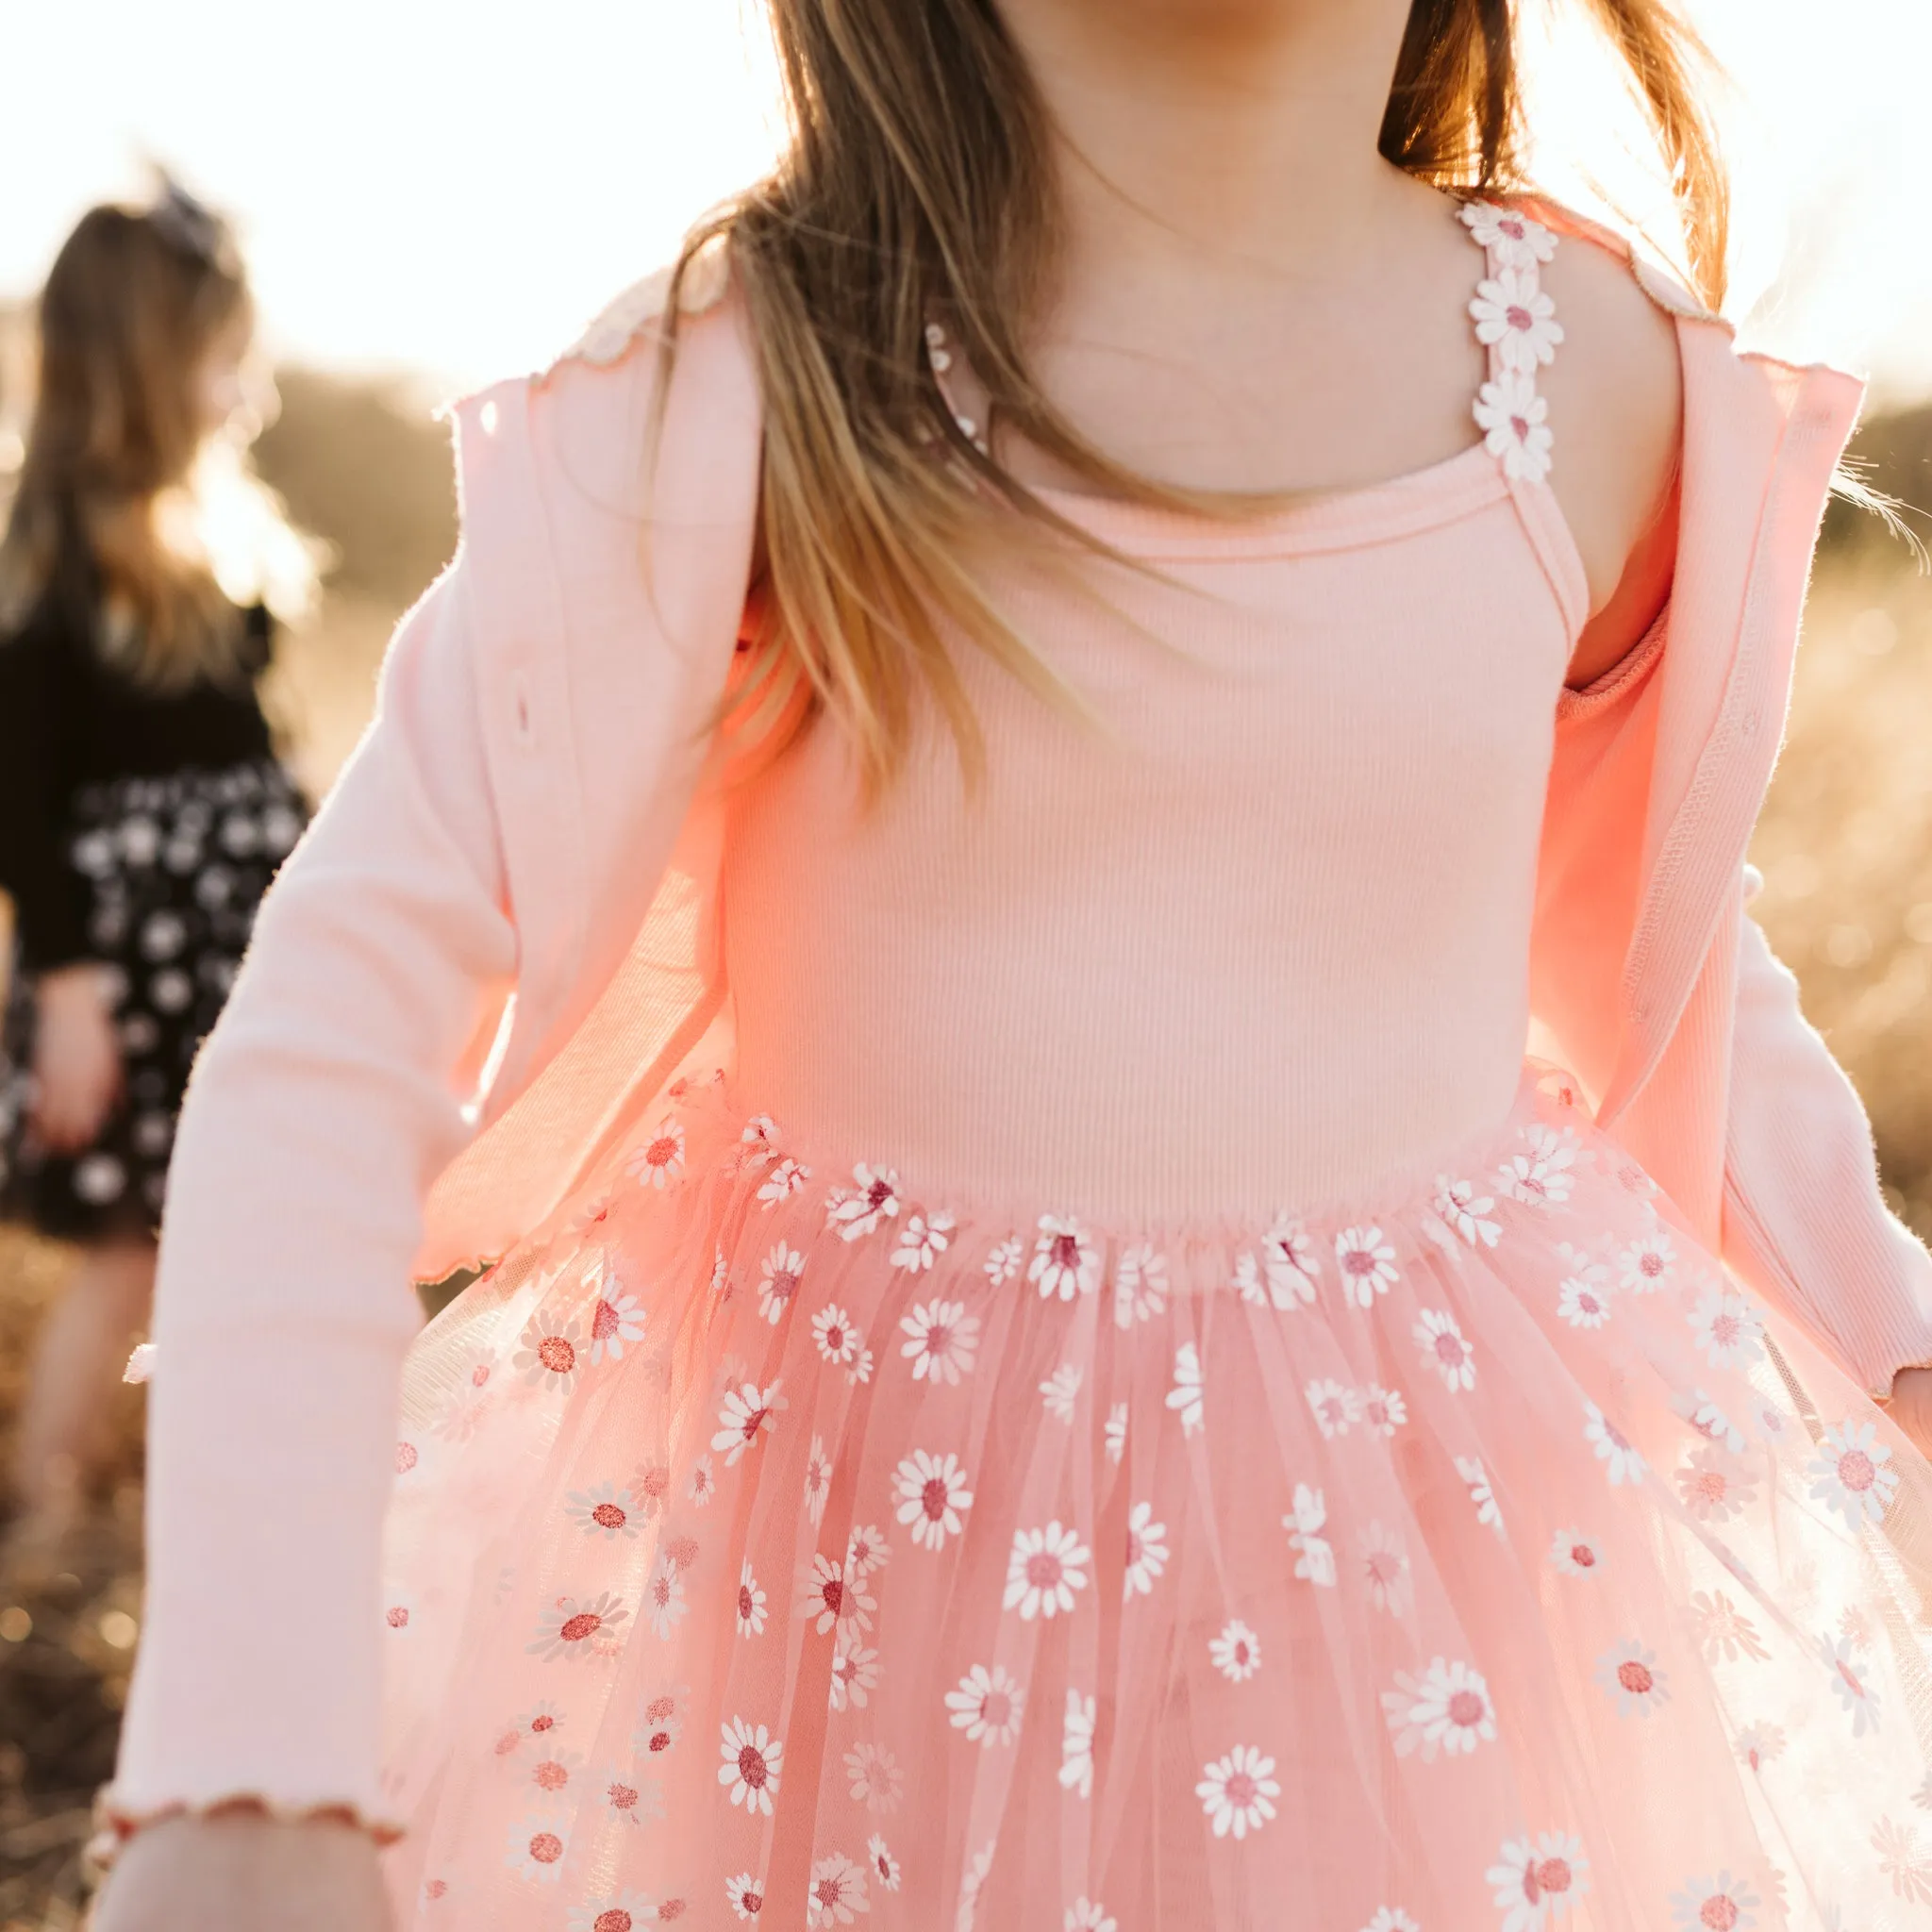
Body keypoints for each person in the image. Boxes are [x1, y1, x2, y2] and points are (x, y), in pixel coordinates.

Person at [92, 3, 1932, 1928]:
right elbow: (325, 1028)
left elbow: (1649, 941)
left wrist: (1886, 1331)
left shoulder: (1591, 380)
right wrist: (246, 1754)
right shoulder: (760, 379)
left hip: (1408, 1555)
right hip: (871, 1567)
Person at [0, 182, 312, 1557]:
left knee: (246, 1238)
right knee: (131, 1249)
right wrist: (67, 988)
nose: (244, 383)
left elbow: (257, 752)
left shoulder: (218, 551)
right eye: (219, 353)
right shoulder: (52, 567)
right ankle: (44, 1516)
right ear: (144, 370)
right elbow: (19, 802)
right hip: (131, 975)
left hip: (239, 954)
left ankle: (222, 1513)